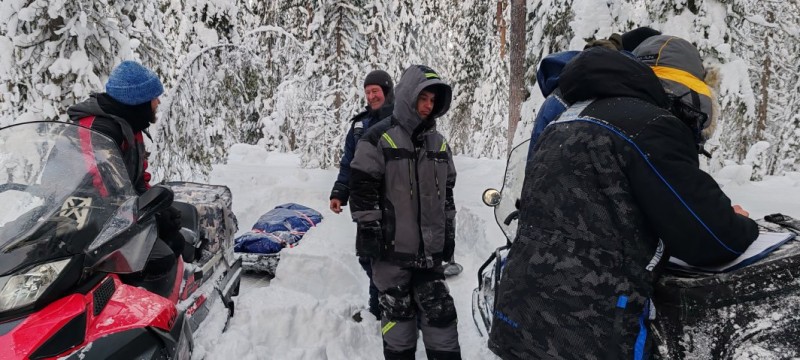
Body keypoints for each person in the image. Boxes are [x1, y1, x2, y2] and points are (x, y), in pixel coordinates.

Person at [489, 37, 759, 359]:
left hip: (520, 319)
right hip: (586, 335)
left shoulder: (568, 117)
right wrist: (739, 223)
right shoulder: (651, 125)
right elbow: (712, 237)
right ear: (680, 91)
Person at [349, 65, 461, 360]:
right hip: (392, 253)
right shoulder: (378, 138)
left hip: (429, 255)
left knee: (442, 317)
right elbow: (362, 189)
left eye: (432, 101)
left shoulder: (438, 143)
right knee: (399, 323)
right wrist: (369, 232)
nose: (428, 106)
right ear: (408, 96)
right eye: (422, 98)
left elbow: (446, 194)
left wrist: (448, 232)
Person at [67, 60, 183, 280]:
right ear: (137, 100)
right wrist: (154, 218)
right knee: (159, 259)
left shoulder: (130, 126)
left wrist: (157, 209)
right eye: (153, 97)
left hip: (111, 218)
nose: (158, 102)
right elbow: (106, 193)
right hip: (83, 223)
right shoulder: (99, 131)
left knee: (175, 239)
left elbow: (138, 180)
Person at [329, 69, 395, 320]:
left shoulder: (400, 120)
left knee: (393, 259)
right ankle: (379, 307)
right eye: (367, 92)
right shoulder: (359, 125)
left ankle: (394, 308)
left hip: (395, 202)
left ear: (386, 91)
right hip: (365, 204)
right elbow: (349, 163)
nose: (371, 96)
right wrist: (339, 193)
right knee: (369, 257)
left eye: (375, 91)